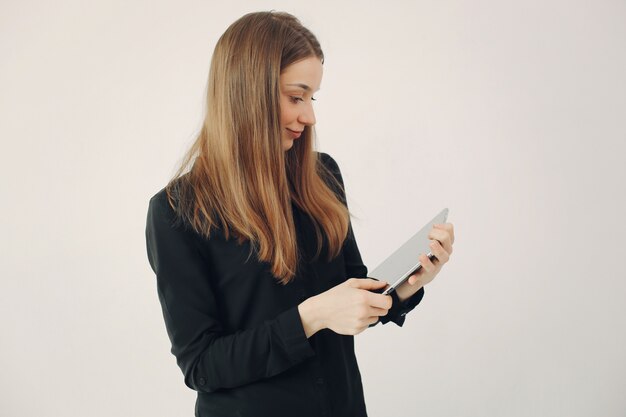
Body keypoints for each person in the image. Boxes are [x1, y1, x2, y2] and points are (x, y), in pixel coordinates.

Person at [145, 10, 455, 417]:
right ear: (247, 95)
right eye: (296, 96)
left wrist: (408, 282)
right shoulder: (175, 212)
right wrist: (311, 316)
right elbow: (203, 366)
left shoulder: (323, 175)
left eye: (312, 98)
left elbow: (351, 291)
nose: (309, 116)